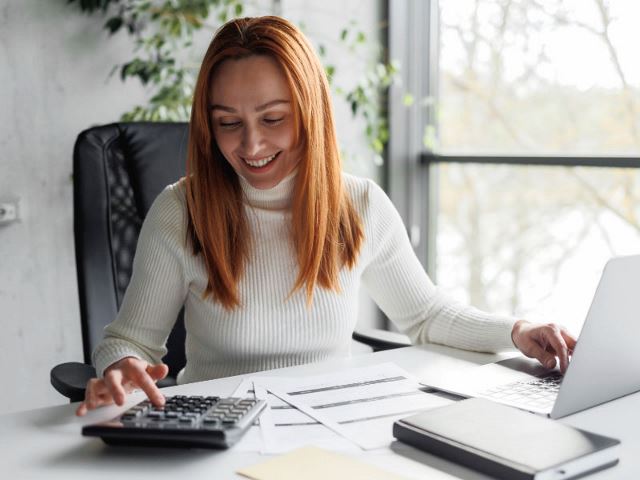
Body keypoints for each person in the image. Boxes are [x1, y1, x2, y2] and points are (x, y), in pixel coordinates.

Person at [76, 16, 576, 416]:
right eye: (229, 123)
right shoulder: (181, 210)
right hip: (218, 428)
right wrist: (123, 366)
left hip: (335, 425)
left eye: (273, 118)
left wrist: (516, 330)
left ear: (311, 111)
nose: (251, 145)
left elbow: (425, 316)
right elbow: (129, 340)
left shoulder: (359, 206)